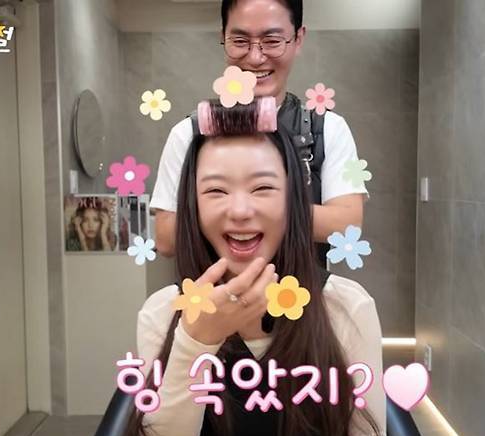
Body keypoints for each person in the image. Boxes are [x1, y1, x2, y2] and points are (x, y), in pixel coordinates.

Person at [130, 99, 385, 436]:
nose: (240, 211)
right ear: (192, 206)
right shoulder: (162, 313)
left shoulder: (346, 308)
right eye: (216, 190)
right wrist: (195, 341)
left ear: (294, 200)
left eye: (263, 188)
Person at [150, 0, 369, 258]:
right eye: (240, 41)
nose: (255, 57)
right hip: (217, 285)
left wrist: (233, 209)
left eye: (272, 41)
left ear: (298, 39)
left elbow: (347, 225)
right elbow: (165, 237)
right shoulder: (188, 133)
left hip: (301, 284)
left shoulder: (328, 128)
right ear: (223, 37)